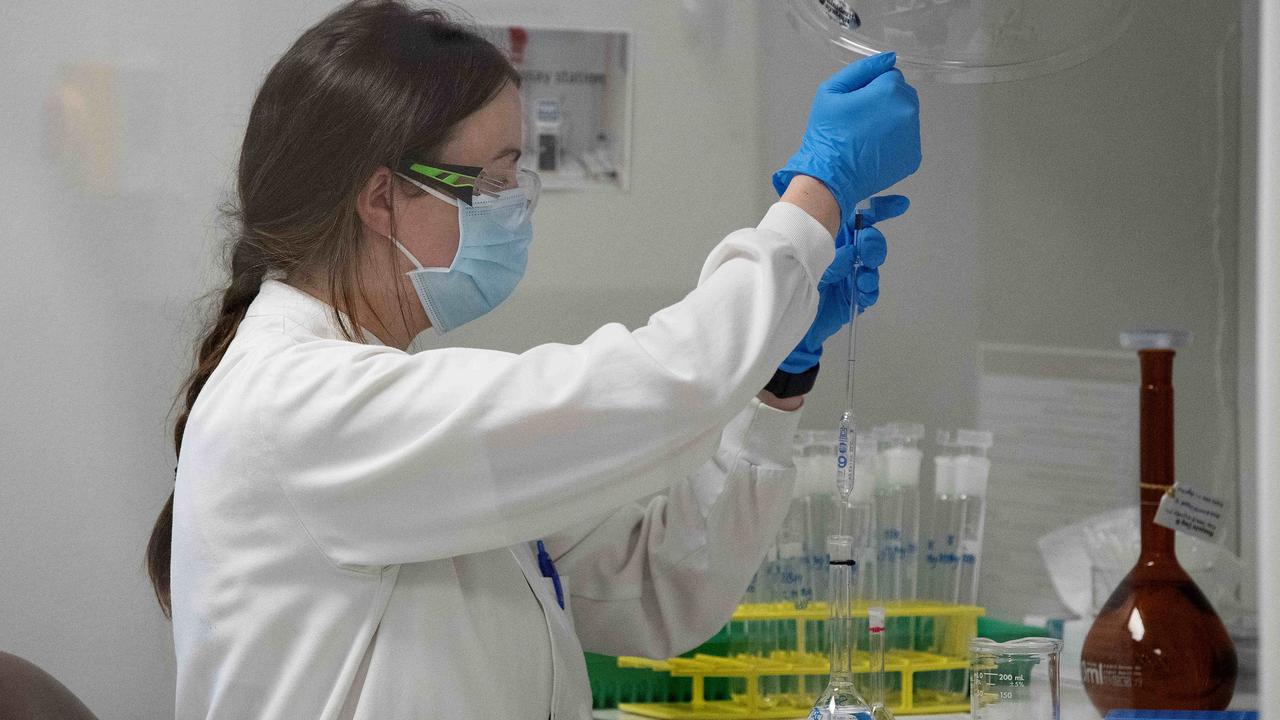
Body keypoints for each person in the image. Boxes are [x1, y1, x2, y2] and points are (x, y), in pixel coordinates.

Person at [143, 1, 920, 718]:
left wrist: (780, 376)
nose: (514, 207)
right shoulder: (300, 404)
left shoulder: (392, 420)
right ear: (382, 199)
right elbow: (662, 389)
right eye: (494, 180)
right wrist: (818, 192)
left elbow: (662, 584)